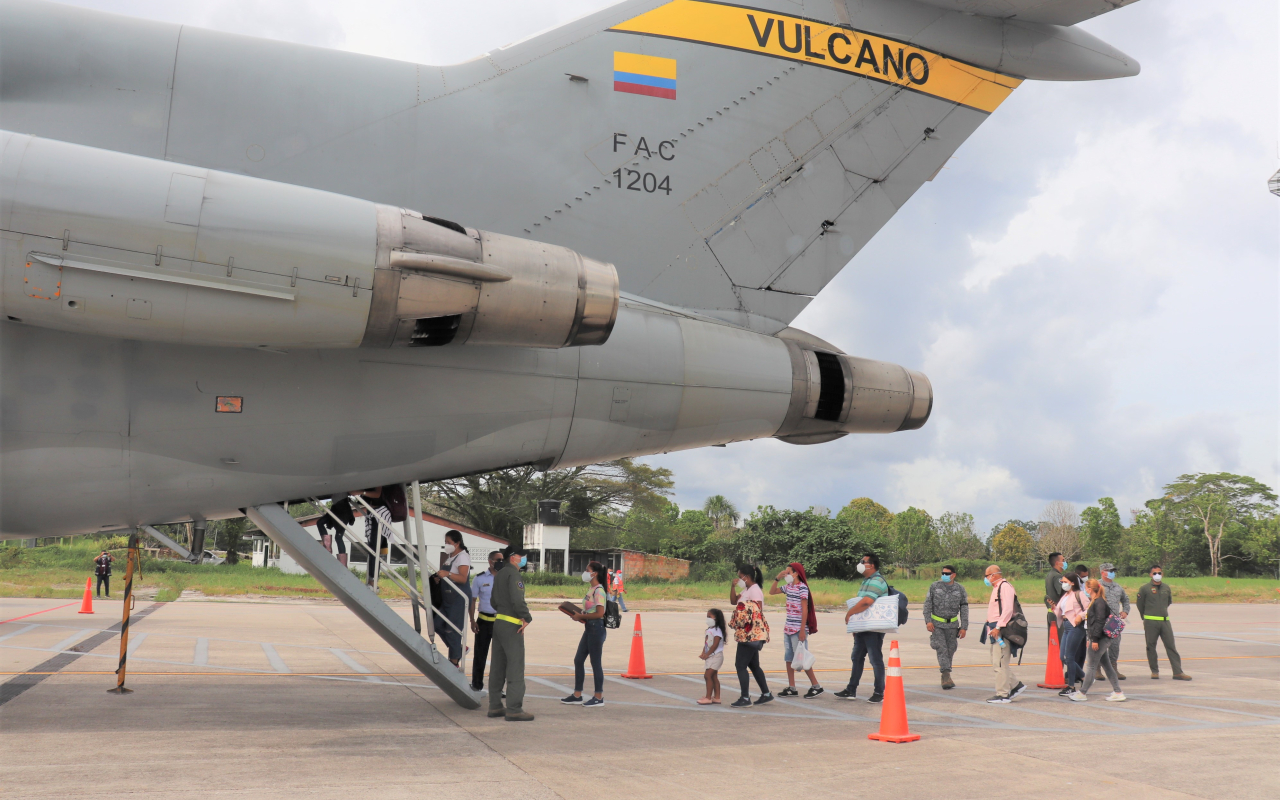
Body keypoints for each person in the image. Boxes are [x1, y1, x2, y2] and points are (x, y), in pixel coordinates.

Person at [488, 544, 534, 721]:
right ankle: (514, 708)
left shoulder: (499, 574)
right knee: (515, 667)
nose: (524, 559)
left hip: (499, 622)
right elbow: (517, 600)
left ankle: (495, 706)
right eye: (522, 556)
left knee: (498, 667)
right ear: (514, 557)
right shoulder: (514, 574)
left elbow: (492, 601)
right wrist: (527, 617)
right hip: (512, 624)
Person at [835, 553, 888, 702]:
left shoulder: (877, 581)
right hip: (863, 626)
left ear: (871, 565)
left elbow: (866, 602)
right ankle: (851, 690)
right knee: (857, 657)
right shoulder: (866, 580)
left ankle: (879, 692)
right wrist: (855, 626)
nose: (860, 564)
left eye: (863, 562)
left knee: (875, 659)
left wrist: (850, 614)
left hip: (873, 628)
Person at [769, 562, 823, 698]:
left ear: (796, 573)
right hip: (788, 628)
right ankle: (792, 687)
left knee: (802, 657)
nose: (786, 575)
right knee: (789, 658)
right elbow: (772, 592)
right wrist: (777, 578)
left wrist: (802, 630)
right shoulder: (788, 587)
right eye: (785, 573)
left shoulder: (802, 588)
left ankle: (816, 686)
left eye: (788, 573)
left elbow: (805, 609)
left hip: (798, 629)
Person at [562, 560, 609, 707]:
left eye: (587, 570)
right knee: (578, 660)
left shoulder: (599, 590)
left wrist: (581, 616)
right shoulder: (591, 589)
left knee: (595, 663)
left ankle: (598, 697)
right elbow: (591, 610)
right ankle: (577, 695)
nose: (585, 572)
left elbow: (600, 613)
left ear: (594, 573)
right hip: (589, 628)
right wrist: (579, 613)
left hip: (596, 628)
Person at [1069, 578, 1125, 702]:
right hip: (1099, 638)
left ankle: (1082, 693)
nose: (1085, 590)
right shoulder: (1096, 601)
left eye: (1086, 588)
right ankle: (1118, 691)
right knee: (1107, 666)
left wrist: (1094, 639)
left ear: (1090, 589)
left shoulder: (1099, 602)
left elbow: (1099, 621)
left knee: (1091, 666)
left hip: (1100, 639)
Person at [981, 564, 1027, 704]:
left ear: (993, 575)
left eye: (986, 576)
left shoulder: (1004, 587)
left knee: (1000, 662)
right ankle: (1015, 686)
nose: (986, 579)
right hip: (995, 628)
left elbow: (1007, 610)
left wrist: (999, 626)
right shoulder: (997, 588)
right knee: (997, 661)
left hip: (1001, 630)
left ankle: (1003, 694)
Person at [727, 564, 773, 707]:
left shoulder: (755, 591)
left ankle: (745, 698)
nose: (739, 579)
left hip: (750, 634)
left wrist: (740, 619)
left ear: (747, 577)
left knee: (740, 665)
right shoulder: (747, 590)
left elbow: (756, 611)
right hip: (746, 633)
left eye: (740, 577)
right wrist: (733, 587)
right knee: (753, 665)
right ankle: (766, 694)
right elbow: (733, 601)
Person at [1137, 565, 1191, 681]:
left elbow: (1168, 602)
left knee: (1171, 646)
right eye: (1155, 573)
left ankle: (1177, 672)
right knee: (1151, 646)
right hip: (1151, 621)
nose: (1157, 575)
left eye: (1159, 573)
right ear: (1150, 575)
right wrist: (1145, 617)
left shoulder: (1166, 587)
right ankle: (1154, 671)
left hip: (1165, 621)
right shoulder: (1144, 588)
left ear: (1162, 574)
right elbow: (1140, 604)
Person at [923, 564, 969, 689]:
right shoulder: (934, 586)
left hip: (952, 625)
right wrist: (928, 621)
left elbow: (964, 608)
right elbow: (927, 605)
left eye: (947, 574)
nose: (944, 575)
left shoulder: (960, 588)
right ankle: (946, 675)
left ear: (954, 575)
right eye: (943, 573)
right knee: (941, 648)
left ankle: (946, 672)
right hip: (937, 625)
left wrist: (964, 627)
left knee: (951, 649)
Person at [434, 530, 471, 667]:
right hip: (447, 599)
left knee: (452, 630)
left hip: (457, 598)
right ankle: (459, 648)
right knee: (437, 624)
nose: (446, 545)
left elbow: (462, 578)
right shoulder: (450, 557)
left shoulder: (463, 557)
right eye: (445, 543)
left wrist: (447, 574)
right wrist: (439, 578)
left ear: (457, 543)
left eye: (448, 543)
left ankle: (454, 661)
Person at [468, 551, 503, 692]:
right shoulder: (479, 578)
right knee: (480, 655)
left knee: (500, 658)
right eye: (497, 560)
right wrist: (472, 620)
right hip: (483, 621)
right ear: (490, 561)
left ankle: (498, 688)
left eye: (502, 559)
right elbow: (473, 600)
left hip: (501, 622)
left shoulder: (506, 578)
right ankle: (477, 685)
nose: (500, 562)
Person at [1054, 572, 1090, 696]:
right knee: (1062, 656)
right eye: (1062, 582)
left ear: (1072, 583)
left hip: (1075, 625)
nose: (1063, 584)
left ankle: (1071, 686)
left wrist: (1080, 616)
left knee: (1069, 656)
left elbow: (1089, 608)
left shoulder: (1080, 594)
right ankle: (1085, 677)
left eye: (1065, 582)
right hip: (1066, 625)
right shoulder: (1065, 595)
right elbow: (1062, 610)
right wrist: (1055, 608)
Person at [1098, 562, 1131, 680]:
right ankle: (1097, 669)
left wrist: (1125, 611)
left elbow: (1126, 600)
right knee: (1099, 646)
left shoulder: (1118, 587)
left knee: (1115, 646)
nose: (1112, 573)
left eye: (1113, 571)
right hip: (1100, 621)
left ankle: (1113, 668)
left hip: (1114, 622)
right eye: (1110, 571)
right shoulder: (1097, 586)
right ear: (1103, 572)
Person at [358, 487, 393, 587]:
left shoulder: (377, 481)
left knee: (374, 550)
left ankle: (372, 580)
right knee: (374, 550)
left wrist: (361, 491)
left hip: (379, 515)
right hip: (375, 516)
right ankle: (372, 579)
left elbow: (377, 494)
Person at [316, 494, 354, 567]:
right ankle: (327, 547)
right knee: (320, 523)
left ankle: (343, 564)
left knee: (338, 537)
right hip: (335, 509)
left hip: (343, 509)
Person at [698, 608, 726, 705]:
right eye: (707, 617)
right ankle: (717, 697)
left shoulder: (717, 630)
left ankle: (708, 697)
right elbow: (707, 643)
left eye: (710, 617)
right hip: (710, 655)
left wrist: (708, 654)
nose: (708, 619)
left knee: (707, 675)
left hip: (716, 656)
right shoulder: (710, 629)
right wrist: (703, 652)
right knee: (713, 677)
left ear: (716, 619)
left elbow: (715, 644)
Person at [1044, 552, 1067, 644]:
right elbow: (1063, 593)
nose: (1065, 562)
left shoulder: (1050, 575)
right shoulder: (1057, 576)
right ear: (1057, 563)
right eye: (1063, 560)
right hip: (1058, 614)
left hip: (1052, 613)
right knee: (1061, 642)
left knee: (1054, 643)